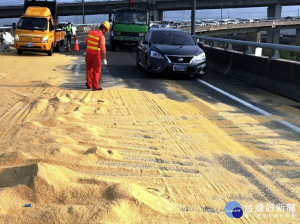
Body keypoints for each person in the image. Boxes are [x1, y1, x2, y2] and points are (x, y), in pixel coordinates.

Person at [84, 21, 110, 91]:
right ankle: (95, 86)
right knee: (96, 71)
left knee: (89, 69)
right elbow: (102, 48)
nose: (105, 32)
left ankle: (89, 84)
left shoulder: (90, 32)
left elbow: (86, 41)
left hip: (88, 53)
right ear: (104, 29)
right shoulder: (101, 36)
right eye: (106, 30)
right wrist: (104, 58)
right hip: (95, 55)